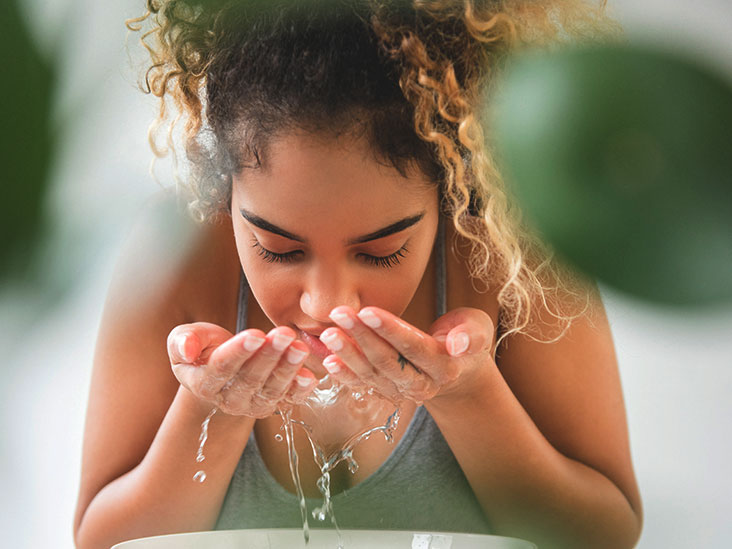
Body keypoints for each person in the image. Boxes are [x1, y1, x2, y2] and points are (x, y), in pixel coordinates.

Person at [73, 1, 642, 548]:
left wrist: (467, 396)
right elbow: (103, 543)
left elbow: (603, 536)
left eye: (380, 252)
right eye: (277, 248)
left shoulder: (513, 257)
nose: (325, 303)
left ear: (448, 188)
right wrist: (212, 410)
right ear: (227, 192)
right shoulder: (173, 264)